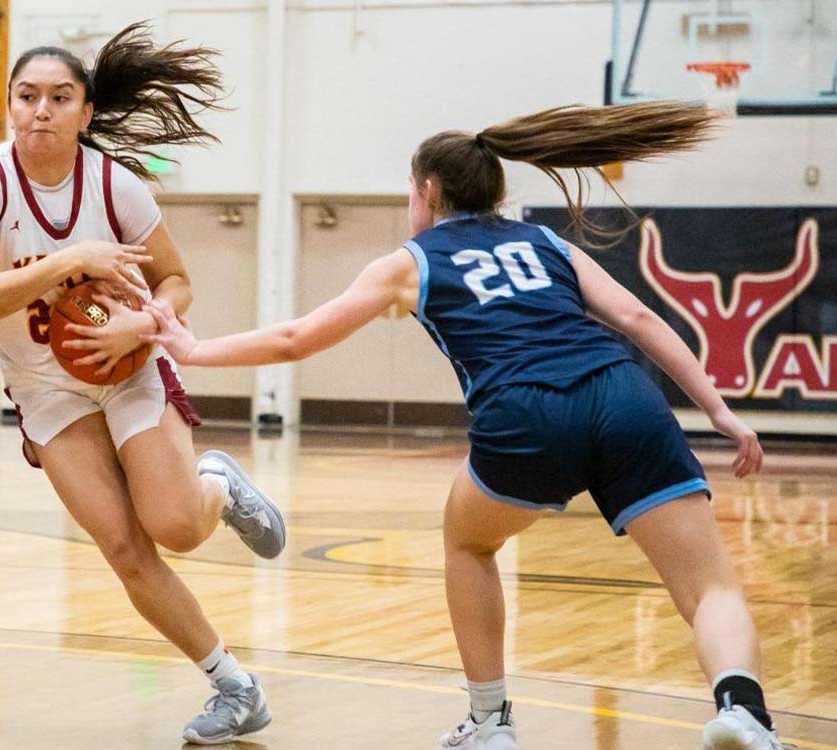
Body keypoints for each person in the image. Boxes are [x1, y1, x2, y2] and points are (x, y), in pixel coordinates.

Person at [143, 102, 781, 750]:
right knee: (709, 588)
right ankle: (744, 711)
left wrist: (194, 351)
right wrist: (719, 410)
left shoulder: (412, 260)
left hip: (528, 411)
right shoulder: (544, 242)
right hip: (626, 397)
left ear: (427, 191)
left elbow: (294, 339)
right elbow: (638, 320)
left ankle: (490, 721)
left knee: (469, 543)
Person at [0, 23, 285, 745]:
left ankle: (216, 486)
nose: (41, 109)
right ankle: (235, 687)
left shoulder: (114, 184)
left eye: (59, 97)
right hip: (46, 390)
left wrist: (148, 323)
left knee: (175, 528)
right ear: (9, 105)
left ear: (86, 113)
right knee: (125, 549)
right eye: (27, 95)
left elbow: (178, 281)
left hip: (130, 370)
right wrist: (69, 261)